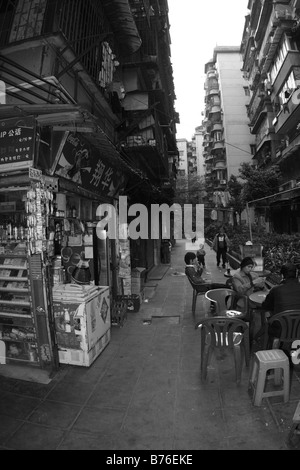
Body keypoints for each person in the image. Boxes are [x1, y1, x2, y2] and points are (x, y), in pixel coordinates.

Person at [261, 263, 300, 340]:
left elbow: (266, 306)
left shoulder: (276, 290)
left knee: (267, 315)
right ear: (296, 275)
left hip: (280, 329)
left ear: (282, 276)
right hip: (299, 327)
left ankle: (270, 345)